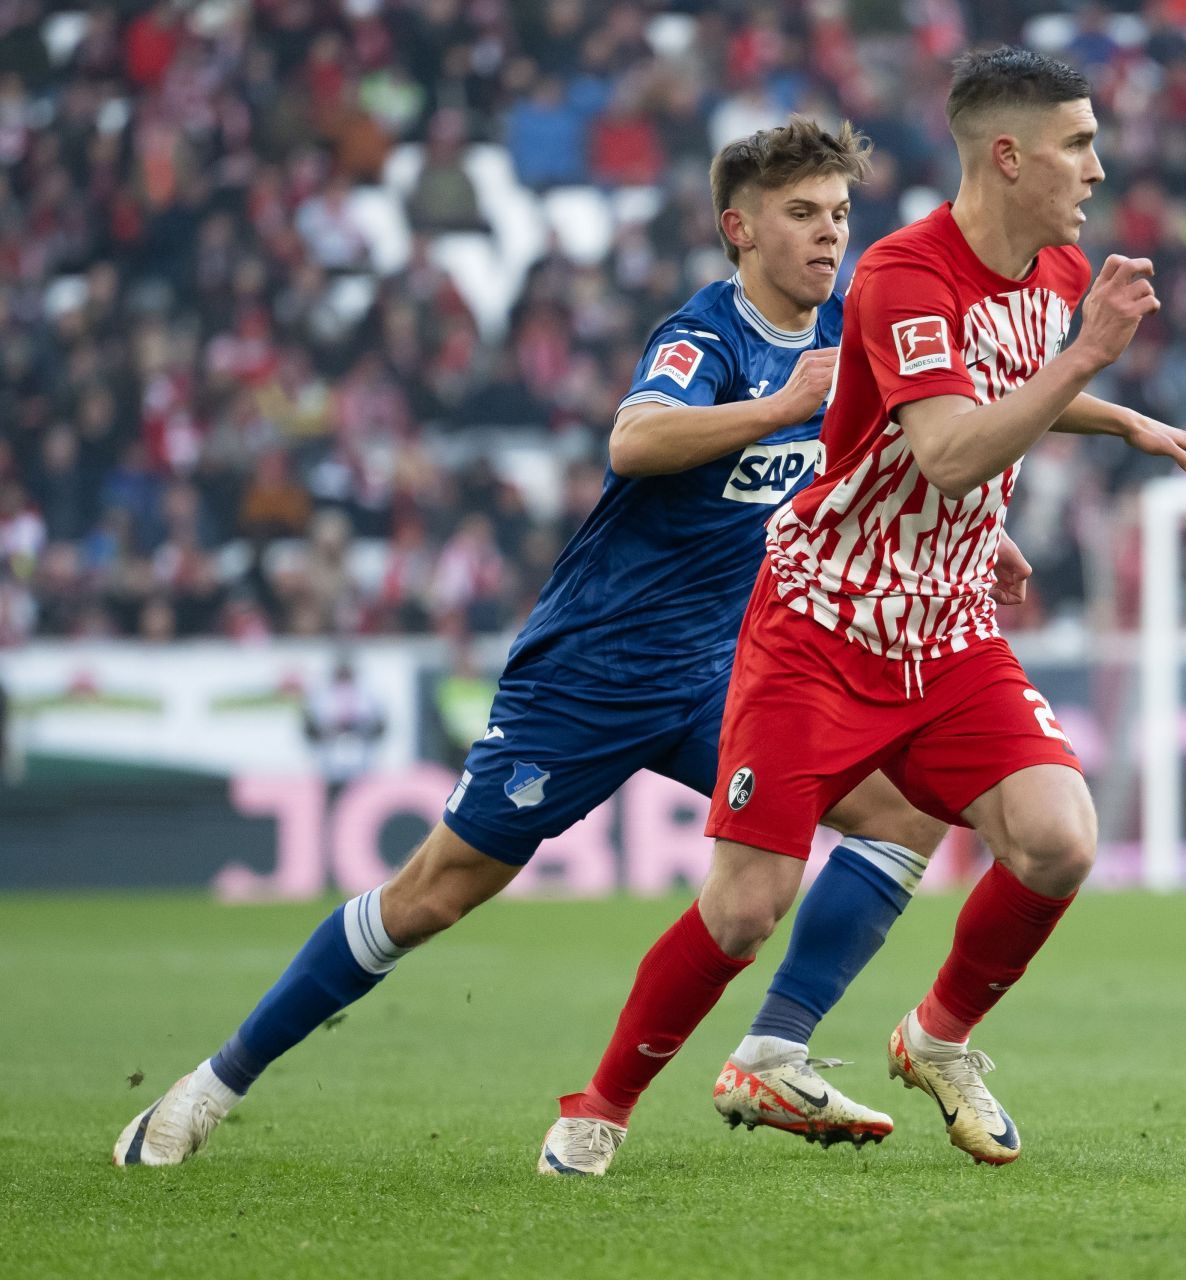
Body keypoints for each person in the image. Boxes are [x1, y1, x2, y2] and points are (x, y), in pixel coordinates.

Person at [114, 118, 960, 1169]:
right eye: (801, 215)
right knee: (435, 892)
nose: (829, 236)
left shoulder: (850, 327)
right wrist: (775, 408)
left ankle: (776, 1046)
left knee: (907, 812)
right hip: (593, 668)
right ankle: (211, 1084)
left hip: (728, 675)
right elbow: (634, 438)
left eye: (839, 214)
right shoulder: (706, 336)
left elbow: (943, 421)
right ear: (739, 229)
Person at [543, 46, 1186, 1172]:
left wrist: (1121, 417)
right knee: (746, 905)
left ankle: (937, 1036)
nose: (1097, 168)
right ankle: (601, 1103)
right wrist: (1093, 356)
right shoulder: (902, 275)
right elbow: (952, 450)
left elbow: (997, 386)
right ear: (1008, 155)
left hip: (947, 628)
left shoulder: (1057, 269)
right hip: (821, 624)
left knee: (1059, 840)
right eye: (1078, 144)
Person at [302, 653, 387, 794]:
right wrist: (329, 731)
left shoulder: (367, 696)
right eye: (341, 671)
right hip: (329, 766)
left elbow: (379, 727)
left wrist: (358, 730)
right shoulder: (321, 696)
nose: (343, 676)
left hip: (363, 764)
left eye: (346, 671)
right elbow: (310, 729)